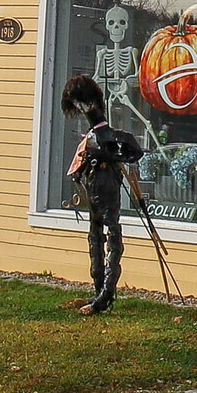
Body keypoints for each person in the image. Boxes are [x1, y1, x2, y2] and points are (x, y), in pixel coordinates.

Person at [60, 75, 140, 314]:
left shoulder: (112, 137)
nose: (81, 110)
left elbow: (135, 152)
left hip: (107, 189)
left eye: (82, 104)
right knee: (95, 237)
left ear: (92, 103)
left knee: (112, 236)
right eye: (77, 105)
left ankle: (106, 295)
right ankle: (98, 289)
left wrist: (107, 156)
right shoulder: (91, 138)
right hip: (92, 191)